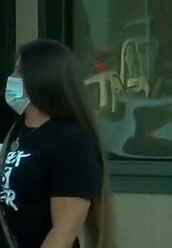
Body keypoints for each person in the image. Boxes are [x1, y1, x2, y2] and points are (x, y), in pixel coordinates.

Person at [1, 40, 115, 248]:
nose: (11, 78)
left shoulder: (71, 142)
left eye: (19, 72)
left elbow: (64, 230)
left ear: (41, 79)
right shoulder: (14, 129)